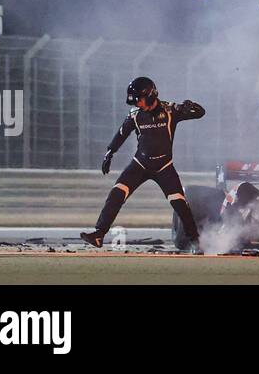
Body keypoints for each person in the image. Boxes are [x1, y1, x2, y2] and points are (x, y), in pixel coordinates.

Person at [80, 76, 206, 251]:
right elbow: (122, 133)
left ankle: (196, 241)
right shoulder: (135, 115)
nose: (136, 103)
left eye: (138, 99)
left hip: (164, 167)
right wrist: (110, 152)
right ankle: (99, 234)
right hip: (139, 164)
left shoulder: (170, 110)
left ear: (150, 95)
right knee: (116, 194)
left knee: (180, 204)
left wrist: (190, 106)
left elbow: (200, 113)